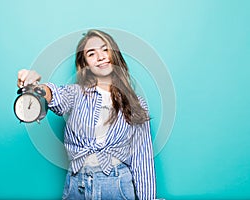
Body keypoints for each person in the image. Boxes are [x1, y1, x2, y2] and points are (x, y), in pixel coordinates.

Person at [17, 29, 156, 200]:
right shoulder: (76, 94)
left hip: (117, 187)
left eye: (105, 49)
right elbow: (55, 96)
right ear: (85, 64)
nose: (101, 56)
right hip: (77, 186)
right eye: (92, 53)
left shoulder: (136, 103)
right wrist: (36, 88)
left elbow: (143, 159)